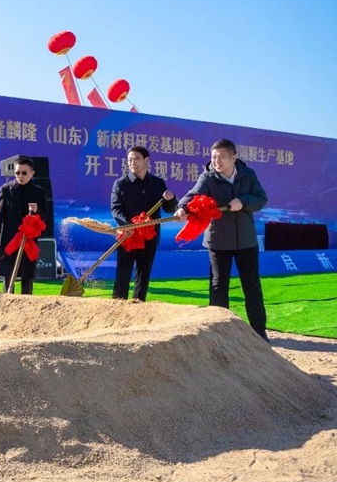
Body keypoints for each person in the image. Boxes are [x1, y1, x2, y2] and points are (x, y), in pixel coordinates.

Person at [176, 138, 270, 341]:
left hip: (246, 240)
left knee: (251, 284)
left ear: (233, 157)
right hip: (218, 240)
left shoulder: (248, 175)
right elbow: (192, 196)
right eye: (213, 157)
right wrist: (182, 208)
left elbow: (261, 199)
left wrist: (243, 202)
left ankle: (259, 330)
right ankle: (219, 332)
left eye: (221, 157)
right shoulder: (208, 177)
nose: (216, 161)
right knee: (219, 285)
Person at [110, 146, 178, 302]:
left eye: (136, 159)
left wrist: (171, 198)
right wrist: (129, 226)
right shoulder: (121, 184)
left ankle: (138, 305)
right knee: (123, 273)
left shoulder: (157, 183)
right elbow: (116, 209)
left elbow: (170, 208)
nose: (133, 163)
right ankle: (117, 306)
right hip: (128, 236)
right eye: (130, 160)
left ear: (146, 160)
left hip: (150, 236)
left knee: (143, 273)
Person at [0, 156, 47, 295]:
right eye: (17, 173)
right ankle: (8, 301)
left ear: (32, 173)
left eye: (24, 173)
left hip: (28, 238)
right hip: (10, 238)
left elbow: (45, 216)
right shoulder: (6, 189)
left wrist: (37, 209)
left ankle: (27, 303)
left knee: (27, 274)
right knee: (9, 273)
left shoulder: (38, 191)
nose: (20, 176)